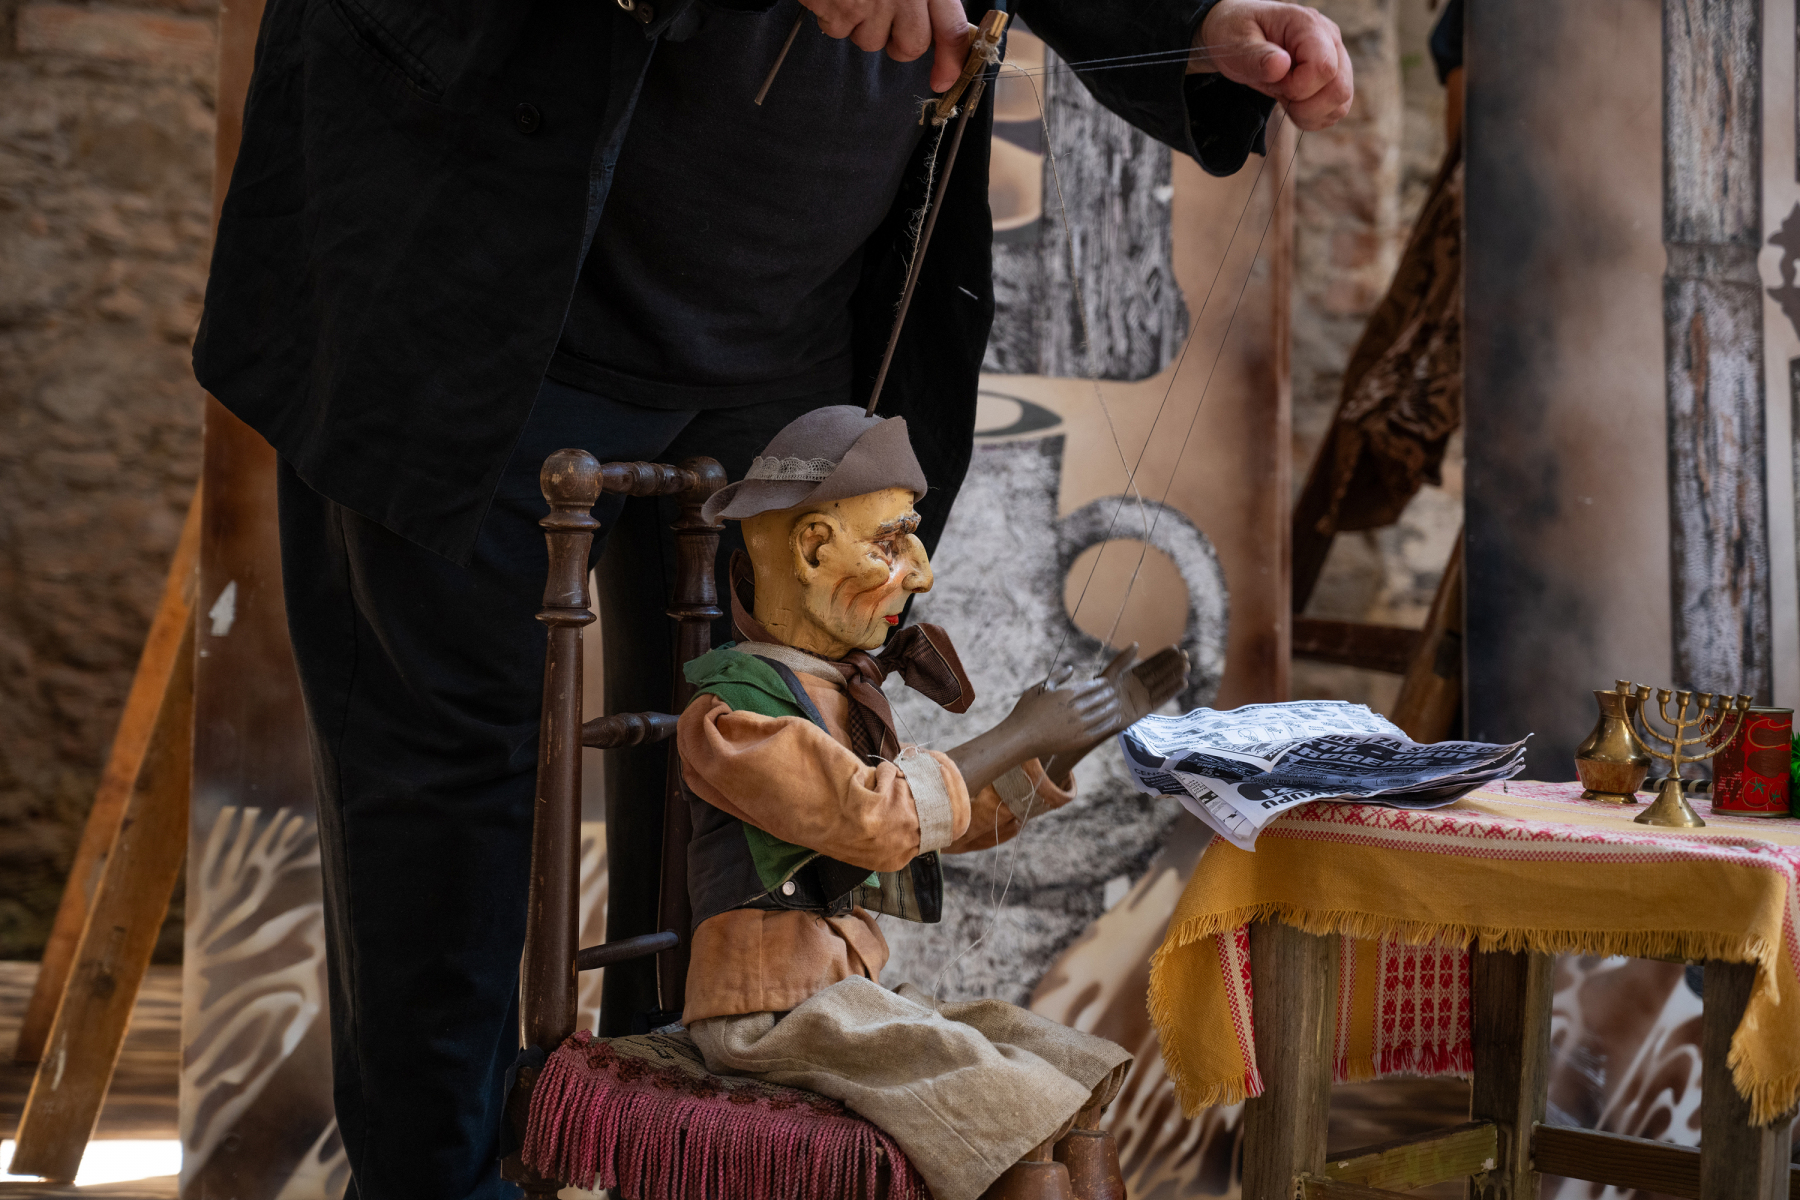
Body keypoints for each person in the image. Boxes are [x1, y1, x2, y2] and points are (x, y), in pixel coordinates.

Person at [191, 0, 1353, 1195]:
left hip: (793, 311)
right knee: (439, 810)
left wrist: (1189, 21)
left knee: (745, 857)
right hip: (471, 266)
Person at [674, 405, 1186, 1200]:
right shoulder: (732, 719)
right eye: (892, 543)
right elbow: (878, 821)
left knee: (1071, 1073)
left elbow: (937, 818)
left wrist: (1062, 744)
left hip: (846, 1001)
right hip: (767, 1017)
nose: (921, 573)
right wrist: (1017, 733)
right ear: (812, 548)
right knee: (1015, 1104)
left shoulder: (837, 697)